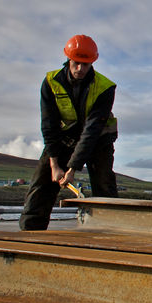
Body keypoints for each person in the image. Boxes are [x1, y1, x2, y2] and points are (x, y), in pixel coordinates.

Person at [19, 34, 119, 231]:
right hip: (64, 137)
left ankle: (110, 232)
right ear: (68, 60)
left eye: (86, 64)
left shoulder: (105, 88)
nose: (80, 69)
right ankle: (31, 233)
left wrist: (72, 168)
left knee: (104, 184)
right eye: (76, 63)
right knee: (42, 182)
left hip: (98, 139)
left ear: (92, 63)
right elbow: (48, 124)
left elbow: (91, 131)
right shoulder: (51, 82)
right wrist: (55, 164)